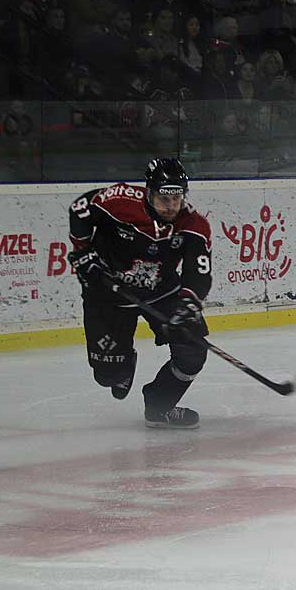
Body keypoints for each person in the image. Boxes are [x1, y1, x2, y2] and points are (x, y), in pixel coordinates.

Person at [66, 158, 212, 429]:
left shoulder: (194, 225)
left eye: (176, 198)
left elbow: (199, 272)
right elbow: (79, 209)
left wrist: (189, 304)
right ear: (149, 192)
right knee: (108, 377)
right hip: (107, 292)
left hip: (161, 291)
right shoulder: (119, 201)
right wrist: (83, 251)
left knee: (192, 351)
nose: (171, 206)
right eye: (164, 199)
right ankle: (124, 363)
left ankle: (158, 406)